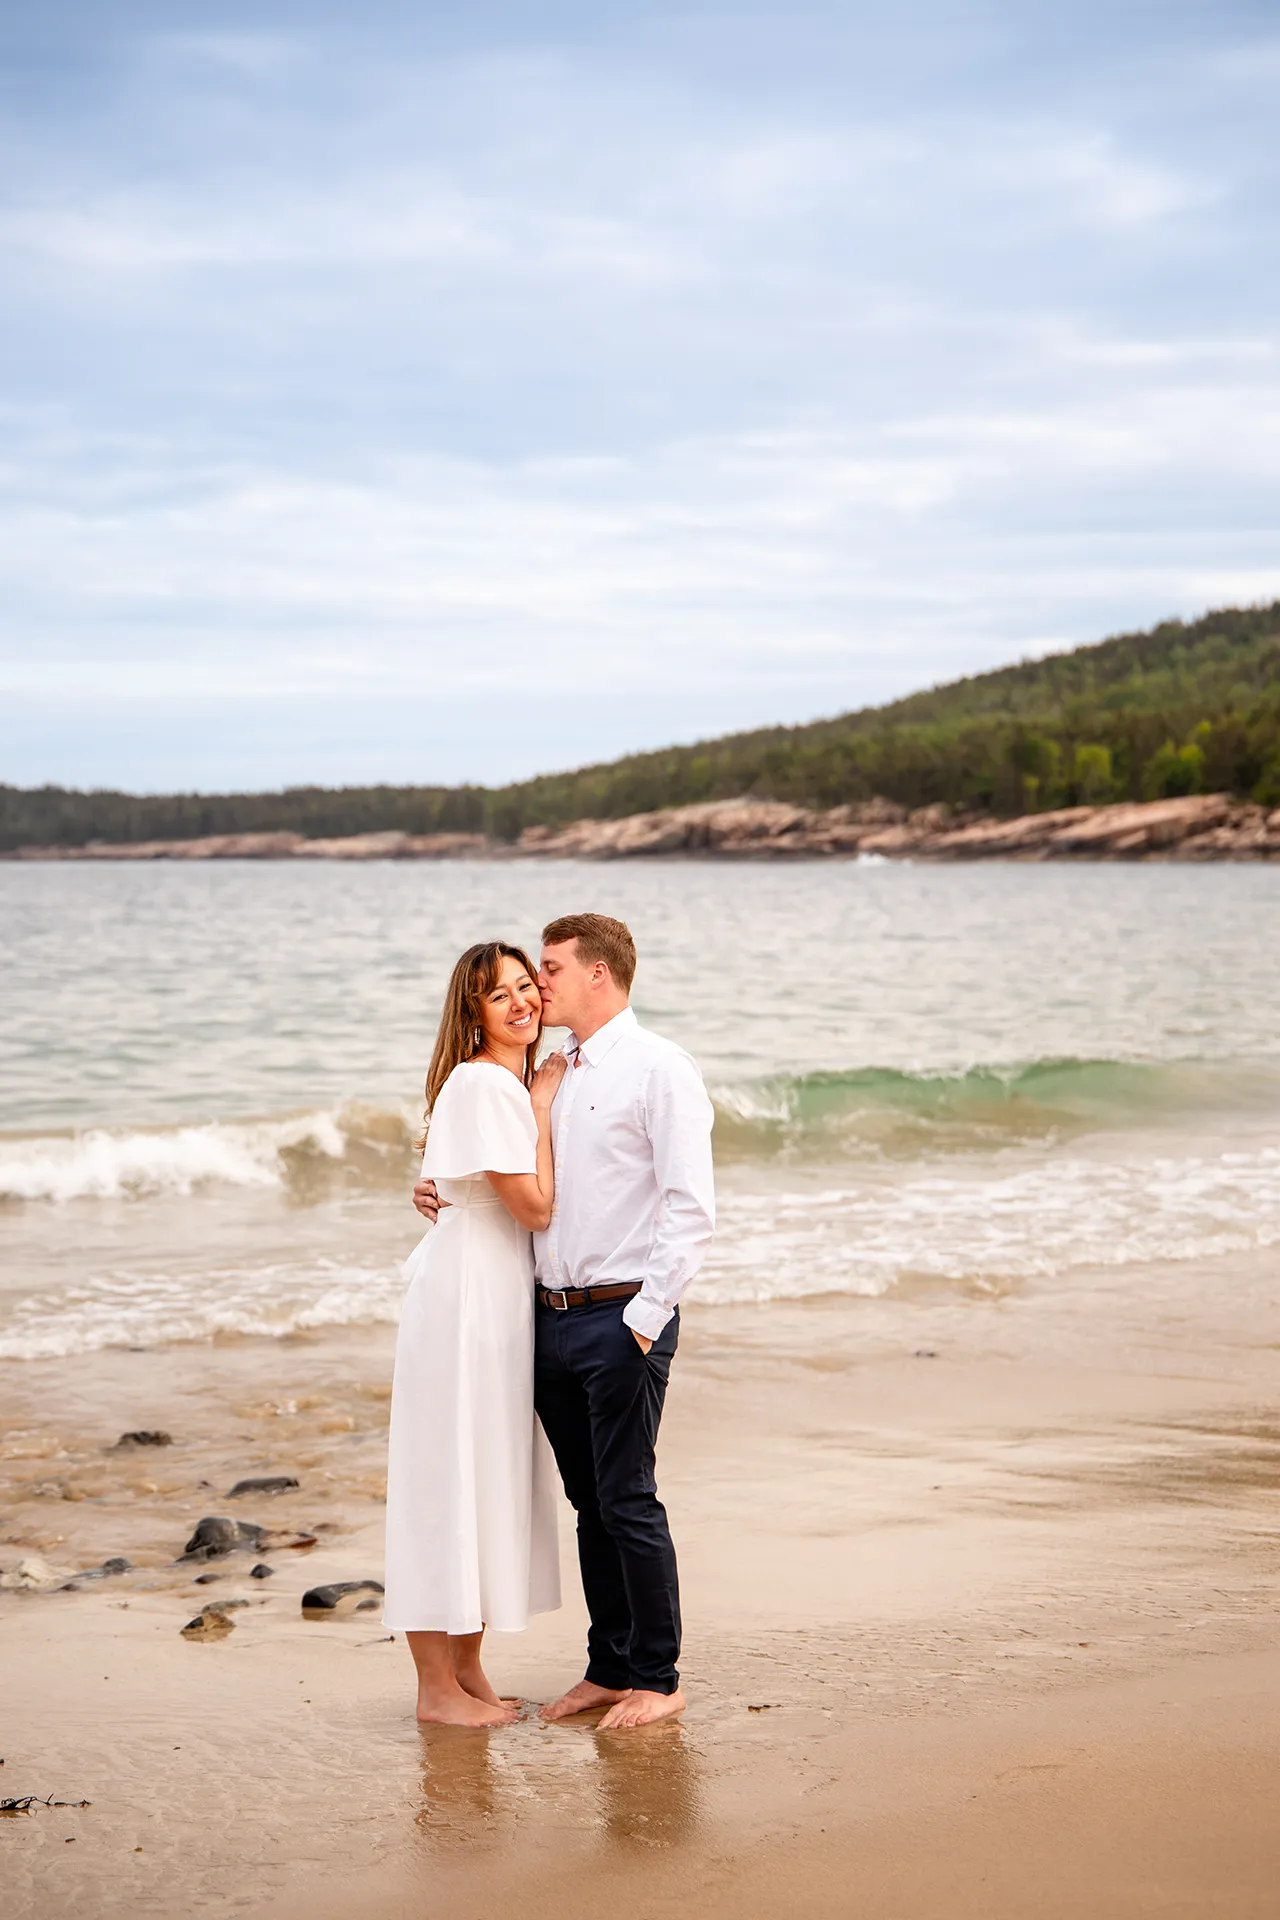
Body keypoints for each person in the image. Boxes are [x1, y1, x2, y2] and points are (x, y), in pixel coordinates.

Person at [415, 912, 715, 1730]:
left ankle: (657, 1676)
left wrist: (647, 1320)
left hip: (623, 1315)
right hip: (546, 1319)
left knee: (628, 1499)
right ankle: (609, 1666)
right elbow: (497, 1164)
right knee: (590, 1504)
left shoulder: (659, 1069)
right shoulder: (549, 1071)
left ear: (598, 974)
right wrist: (440, 1183)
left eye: (547, 969)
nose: (536, 986)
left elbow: (691, 1210)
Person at [384, 941, 566, 1727]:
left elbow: (468, 1185)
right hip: (463, 1303)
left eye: (529, 986)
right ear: (473, 1012)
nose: (522, 1002)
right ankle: (434, 1692)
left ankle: (467, 1673)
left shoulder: (493, 1083)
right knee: (443, 1482)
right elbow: (535, 1208)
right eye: (502, 995)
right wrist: (545, 1112)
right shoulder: (494, 1085)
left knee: (477, 1477)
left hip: (486, 1296)